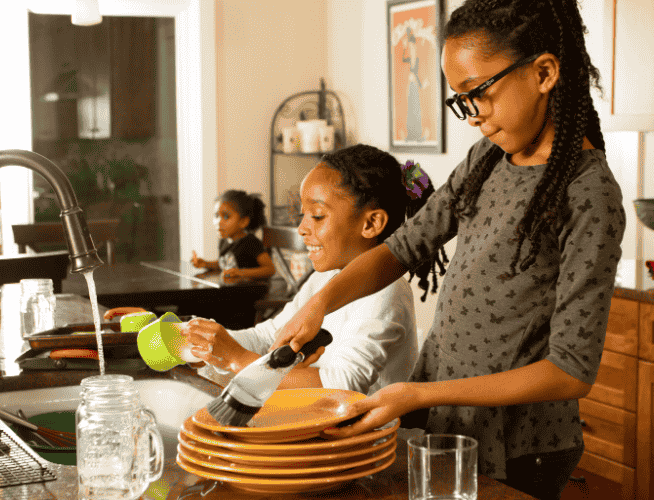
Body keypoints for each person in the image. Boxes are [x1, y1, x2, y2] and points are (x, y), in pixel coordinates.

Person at [270, 1, 627, 498]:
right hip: (451, 420)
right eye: (462, 100)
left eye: (479, 93)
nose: (473, 116)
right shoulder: (488, 159)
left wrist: (419, 392)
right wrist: (320, 303)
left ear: (544, 72)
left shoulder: (588, 192)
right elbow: (402, 247)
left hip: (524, 443)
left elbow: (569, 370)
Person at [182, 145, 448, 395]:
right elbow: (269, 336)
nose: (302, 229)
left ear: (371, 223)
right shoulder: (323, 279)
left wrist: (238, 360)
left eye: (317, 216)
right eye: (303, 215)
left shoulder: (387, 291)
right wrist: (204, 345)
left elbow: (344, 384)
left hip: (372, 438)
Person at [191, 190, 275, 280]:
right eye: (216, 216)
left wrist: (241, 272)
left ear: (243, 222)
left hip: (252, 291)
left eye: (226, 217)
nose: (219, 222)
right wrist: (206, 264)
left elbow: (270, 270)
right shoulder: (224, 241)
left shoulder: (250, 242)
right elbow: (225, 264)